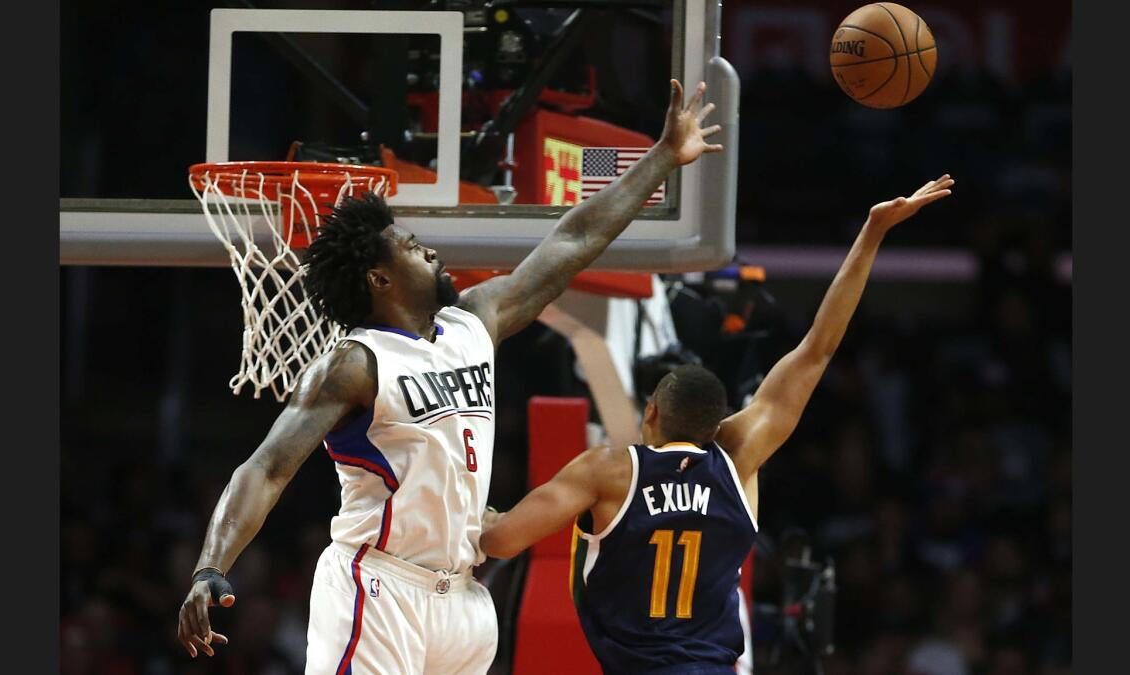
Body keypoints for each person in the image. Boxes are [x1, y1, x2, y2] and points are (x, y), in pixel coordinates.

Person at [175, 78, 724, 675]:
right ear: (379, 281)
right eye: (411, 246)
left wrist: (664, 156)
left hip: (463, 598)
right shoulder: (356, 363)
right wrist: (211, 564)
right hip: (379, 587)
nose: (430, 252)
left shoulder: (473, 323)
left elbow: (576, 238)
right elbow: (266, 467)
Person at [479, 175, 955, 674]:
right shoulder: (739, 458)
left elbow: (501, 543)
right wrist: (872, 233)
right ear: (718, 423)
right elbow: (818, 350)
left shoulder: (607, 470)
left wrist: (486, 520)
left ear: (651, 412)